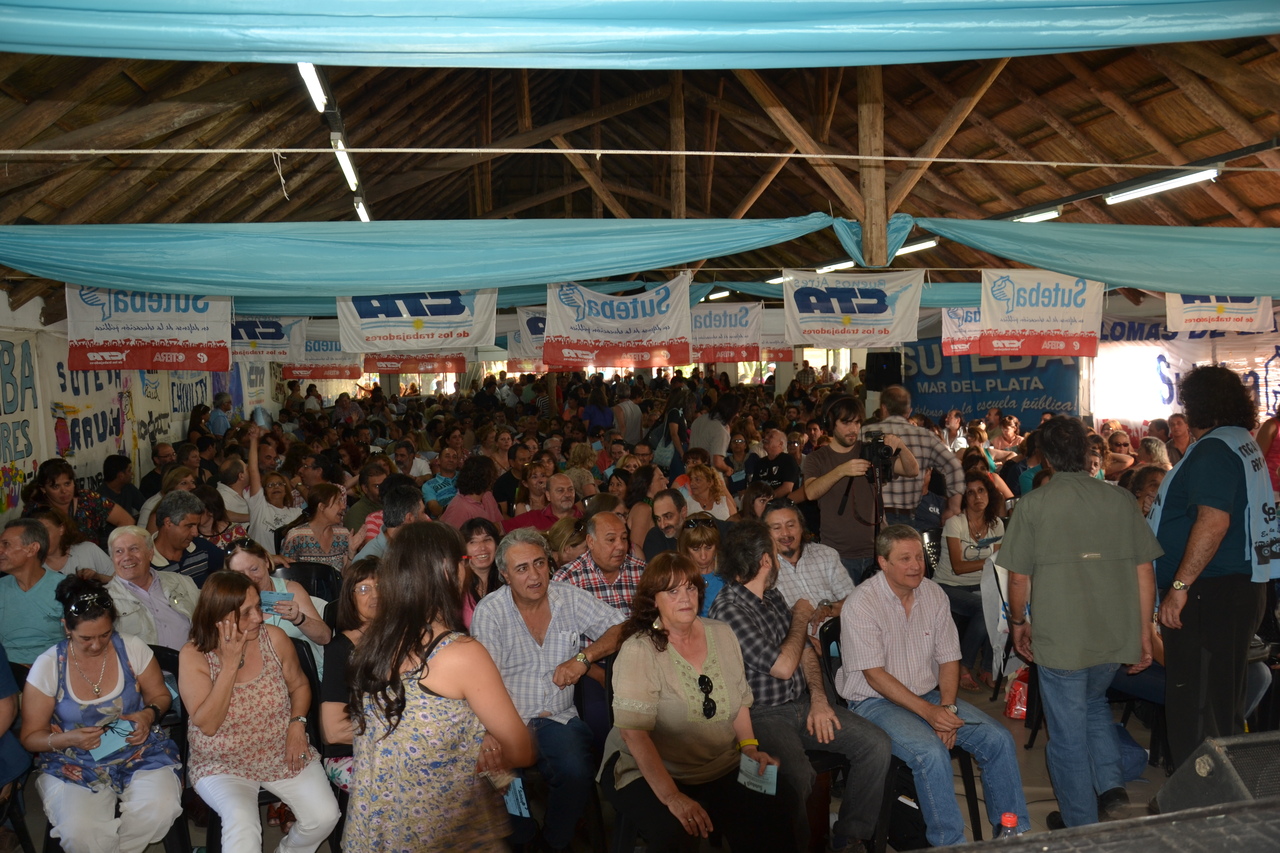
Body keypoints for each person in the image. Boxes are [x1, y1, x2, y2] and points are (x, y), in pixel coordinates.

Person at [1001, 416, 1161, 827]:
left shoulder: (1034, 504)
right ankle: (1111, 790)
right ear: (1089, 453)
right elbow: (1145, 570)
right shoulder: (1121, 500)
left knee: (1066, 736)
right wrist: (1144, 632)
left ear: (1047, 457)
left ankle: (1079, 825)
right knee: (1093, 705)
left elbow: (1018, 578)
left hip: (1063, 640)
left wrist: (1017, 622)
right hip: (1113, 634)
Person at [345, 523, 535, 851]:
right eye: (464, 559)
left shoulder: (373, 642)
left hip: (377, 825)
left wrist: (473, 737)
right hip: (437, 830)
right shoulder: (459, 653)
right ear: (448, 570)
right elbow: (520, 749)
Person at [838, 525, 1029, 846]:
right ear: (883, 562)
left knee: (998, 739)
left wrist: (947, 708)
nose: (916, 565)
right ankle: (949, 844)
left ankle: (1012, 836)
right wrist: (931, 714)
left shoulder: (934, 594)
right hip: (874, 702)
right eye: (905, 559)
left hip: (928, 694)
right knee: (931, 754)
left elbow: (949, 658)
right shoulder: (862, 603)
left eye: (919, 557)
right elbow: (875, 676)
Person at [710, 521, 890, 853]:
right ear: (766, 560)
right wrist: (801, 618)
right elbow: (782, 666)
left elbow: (804, 649)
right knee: (796, 776)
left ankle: (849, 835)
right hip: (759, 714)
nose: (779, 558)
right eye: (774, 552)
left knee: (876, 744)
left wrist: (819, 698)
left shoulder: (772, 595)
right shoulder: (729, 609)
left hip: (802, 702)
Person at [599, 552, 792, 852]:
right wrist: (672, 797)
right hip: (648, 767)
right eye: (672, 591)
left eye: (690, 587)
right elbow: (634, 735)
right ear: (653, 600)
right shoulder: (639, 650)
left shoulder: (722, 633)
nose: (685, 598)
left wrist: (749, 748)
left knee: (779, 799)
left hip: (719, 762)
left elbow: (739, 701)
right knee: (677, 831)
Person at [1148, 366, 1273, 769]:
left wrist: (1179, 587)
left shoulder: (1214, 450)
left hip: (1208, 592)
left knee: (1196, 706)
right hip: (1236, 586)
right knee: (1219, 701)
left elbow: (1214, 522)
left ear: (1198, 405)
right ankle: (1219, 788)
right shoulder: (1241, 441)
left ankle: (1199, 792)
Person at [471, 527, 625, 851]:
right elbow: (480, 683)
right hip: (506, 720)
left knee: (575, 770)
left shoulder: (567, 597)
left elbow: (621, 626)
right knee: (500, 781)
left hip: (557, 717)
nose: (534, 575)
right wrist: (487, 732)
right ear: (505, 575)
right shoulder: (491, 611)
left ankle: (552, 843)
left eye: (539, 563)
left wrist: (584, 658)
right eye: (522, 568)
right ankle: (526, 839)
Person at [179, 570, 340, 853]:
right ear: (218, 618)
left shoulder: (274, 638)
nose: (259, 617)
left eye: (258, 607)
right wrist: (230, 665)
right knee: (242, 829)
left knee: (324, 816)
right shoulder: (194, 655)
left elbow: (300, 685)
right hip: (222, 760)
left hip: (280, 747)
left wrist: (297, 724)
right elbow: (208, 725)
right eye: (246, 613)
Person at [19, 575, 182, 853]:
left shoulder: (131, 647)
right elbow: (30, 737)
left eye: (105, 635)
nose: (96, 645)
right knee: (80, 831)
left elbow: (160, 695)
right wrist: (69, 738)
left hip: (137, 751)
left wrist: (148, 715)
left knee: (159, 809)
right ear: (66, 627)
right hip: (74, 761)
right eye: (86, 638)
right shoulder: (49, 665)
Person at [795, 395, 918, 581]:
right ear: (830, 422)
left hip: (877, 550)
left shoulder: (869, 451)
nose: (853, 429)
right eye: (846, 423)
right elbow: (811, 492)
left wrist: (899, 444)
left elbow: (912, 470)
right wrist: (842, 471)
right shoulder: (818, 458)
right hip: (838, 554)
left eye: (857, 422)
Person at [934, 472, 1004, 692]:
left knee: (1002, 605)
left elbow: (999, 565)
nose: (977, 497)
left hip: (981, 585)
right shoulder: (955, 524)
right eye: (971, 493)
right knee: (985, 608)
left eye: (981, 490)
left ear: (989, 494)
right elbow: (958, 567)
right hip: (948, 585)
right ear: (964, 498)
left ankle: (987, 668)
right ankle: (964, 666)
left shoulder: (996, 524)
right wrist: (990, 561)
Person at [859, 387, 961, 531]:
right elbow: (954, 467)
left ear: (883, 408)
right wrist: (953, 507)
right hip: (908, 515)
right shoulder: (925, 437)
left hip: (872, 514)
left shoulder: (864, 433)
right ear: (908, 411)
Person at [318, 557, 379, 792]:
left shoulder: (402, 641)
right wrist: (394, 731)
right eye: (364, 589)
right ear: (350, 598)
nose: (375, 595)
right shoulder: (341, 649)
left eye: (381, 586)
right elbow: (333, 732)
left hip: (397, 744)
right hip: (349, 752)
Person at [225, 539, 331, 673]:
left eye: (254, 569)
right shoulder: (230, 603)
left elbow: (325, 637)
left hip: (305, 672)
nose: (249, 578)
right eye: (240, 574)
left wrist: (299, 619)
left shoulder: (291, 591)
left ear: (266, 561)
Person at [762, 498, 855, 626]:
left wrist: (830, 607)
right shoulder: (763, 568)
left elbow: (854, 600)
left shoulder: (825, 554)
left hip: (839, 632)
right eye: (777, 528)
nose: (785, 533)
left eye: (791, 525)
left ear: (801, 527)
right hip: (797, 637)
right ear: (766, 534)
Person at [106, 526, 198, 650]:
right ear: (112, 558)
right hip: (141, 663)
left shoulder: (182, 582)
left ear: (150, 553)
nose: (127, 557)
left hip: (193, 660)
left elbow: (208, 620)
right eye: (119, 551)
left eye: (134, 549)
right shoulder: (105, 600)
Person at [22, 458, 133, 549]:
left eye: (67, 484)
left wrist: (114, 550)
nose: (64, 491)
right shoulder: (35, 510)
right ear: (43, 489)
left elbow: (127, 521)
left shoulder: (89, 499)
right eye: (56, 486)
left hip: (91, 563)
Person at [553, 512, 646, 613]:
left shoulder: (642, 571)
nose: (621, 546)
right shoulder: (567, 580)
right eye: (611, 540)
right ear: (591, 542)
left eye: (624, 538)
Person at [0, 518, 63, 666]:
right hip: (6, 671)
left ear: (32, 549)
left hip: (53, 668)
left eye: (6, 544)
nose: (0, 550)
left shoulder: (66, 588)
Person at [151, 490, 222, 586]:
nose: (195, 533)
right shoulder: (145, 563)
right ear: (168, 523)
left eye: (197, 526)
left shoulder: (202, 548)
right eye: (189, 526)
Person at [281, 483, 354, 573]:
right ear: (321, 507)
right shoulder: (297, 537)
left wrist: (351, 553)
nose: (343, 506)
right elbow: (285, 573)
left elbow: (346, 576)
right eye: (338, 502)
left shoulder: (344, 535)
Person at [33, 507, 114, 581]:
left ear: (61, 529)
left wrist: (97, 577)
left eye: (45, 532)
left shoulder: (88, 550)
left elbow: (119, 583)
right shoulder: (32, 566)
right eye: (35, 533)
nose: (40, 538)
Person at [459, 517, 504, 627]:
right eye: (473, 542)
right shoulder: (457, 585)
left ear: (497, 546)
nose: (482, 547)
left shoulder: (507, 581)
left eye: (487, 540)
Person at [676, 514, 725, 616]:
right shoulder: (676, 577)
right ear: (685, 549)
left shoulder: (729, 573)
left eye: (708, 547)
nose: (703, 556)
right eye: (695, 549)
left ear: (717, 545)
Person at [505, 471, 582, 533]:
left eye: (570, 489)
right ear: (548, 495)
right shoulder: (534, 518)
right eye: (560, 490)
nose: (567, 494)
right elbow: (502, 527)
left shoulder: (584, 520)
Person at [438, 456, 503, 529]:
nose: (495, 478)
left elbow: (500, 524)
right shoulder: (459, 508)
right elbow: (452, 535)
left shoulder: (488, 495)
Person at [138, 464, 198, 533]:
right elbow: (143, 536)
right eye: (184, 483)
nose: (192, 486)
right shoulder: (153, 508)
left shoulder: (197, 506)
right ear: (171, 488)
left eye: (192, 482)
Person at [749, 428, 801, 499]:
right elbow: (753, 487)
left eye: (770, 436)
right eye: (766, 435)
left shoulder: (788, 460)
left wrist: (767, 499)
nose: (766, 438)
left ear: (780, 444)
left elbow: (787, 488)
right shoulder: (760, 463)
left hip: (782, 503)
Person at [99, 454, 145, 520]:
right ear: (121, 475)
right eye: (129, 471)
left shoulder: (128, 487)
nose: (132, 474)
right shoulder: (100, 497)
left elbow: (145, 507)